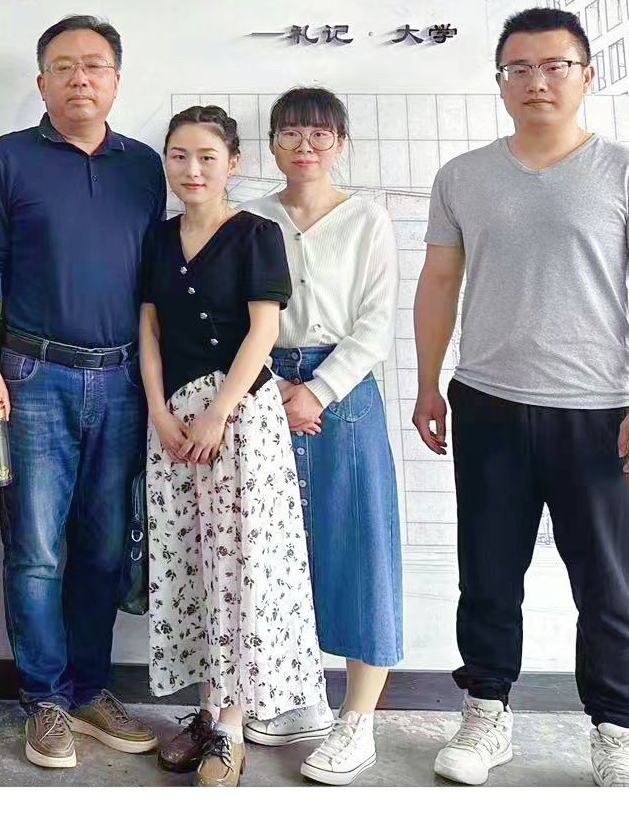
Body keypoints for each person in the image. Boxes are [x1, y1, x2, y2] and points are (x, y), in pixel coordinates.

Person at [414, 7, 629, 788]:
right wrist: (428, 384)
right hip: (487, 401)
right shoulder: (463, 176)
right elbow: (439, 281)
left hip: (598, 412)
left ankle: (615, 727)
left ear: (586, 75)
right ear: (500, 81)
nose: (537, 81)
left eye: (555, 65)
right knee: (488, 572)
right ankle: (486, 712)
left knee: (608, 583)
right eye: (520, 68)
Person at [0, 14, 164, 770]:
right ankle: (44, 699)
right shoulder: (7, 158)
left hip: (122, 379)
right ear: (41, 81)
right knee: (37, 547)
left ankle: (88, 689)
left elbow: (154, 281)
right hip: (32, 374)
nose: (80, 79)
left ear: (116, 80)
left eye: (95, 66)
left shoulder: (145, 166)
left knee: (105, 548)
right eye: (64, 66)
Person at [138, 105, 327, 788]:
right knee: (189, 560)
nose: (192, 170)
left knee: (241, 563)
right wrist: (159, 413)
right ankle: (204, 708)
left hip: (241, 417)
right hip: (173, 419)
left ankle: (231, 727)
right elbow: (149, 330)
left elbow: (263, 331)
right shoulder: (157, 238)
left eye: (207, 157)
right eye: (179, 156)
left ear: (233, 163)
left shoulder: (256, 234)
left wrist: (219, 413)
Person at [243, 87, 402, 785]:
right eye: (290, 134)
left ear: (340, 144)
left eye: (319, 135)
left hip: (346, 397)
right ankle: (295, 698)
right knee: (272, 549)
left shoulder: (368, 219)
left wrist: (317, 390)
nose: (304, 147)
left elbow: (376, 324)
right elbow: (231, 314)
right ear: (272, 143)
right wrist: (272, 387)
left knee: (359, 548)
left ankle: (358, 720)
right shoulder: (250, 217)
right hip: (261, 388)